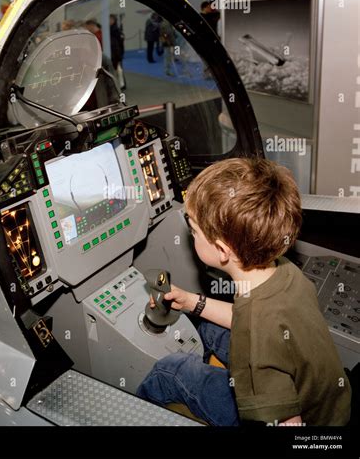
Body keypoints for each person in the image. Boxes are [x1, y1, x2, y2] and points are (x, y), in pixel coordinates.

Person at [137, 158, 352, 426]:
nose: (191, 235)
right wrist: (192, 302)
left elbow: (287, 421)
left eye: (193, 231)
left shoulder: (258, 340)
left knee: (168, 371)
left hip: (303, 418)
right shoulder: (282, 271)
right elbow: (246, 316)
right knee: (208, 331)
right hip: (332, 402)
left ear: (222, 251)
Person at [109, 14, 126, 90]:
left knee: (119, 69)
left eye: (110, 19)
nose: (109, 21)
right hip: (116, 51)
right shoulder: (111, 29)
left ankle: (122, 84)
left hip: (117, 51)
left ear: (113, 20)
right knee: (118, 69)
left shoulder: (115, 29)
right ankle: (121, 84)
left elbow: (119, 42)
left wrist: (120, 53)